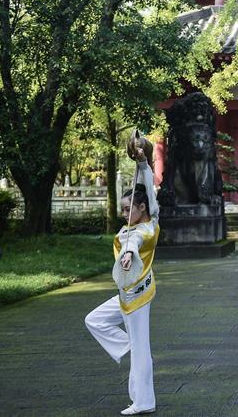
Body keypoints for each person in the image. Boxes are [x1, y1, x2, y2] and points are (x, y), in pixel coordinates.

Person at [85, 141, 159, 415]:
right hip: (125, 294)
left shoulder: (147, 228)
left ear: (142, 208)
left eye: (129, 208)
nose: (124, 213)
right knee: (94, 320)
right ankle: (128, 346)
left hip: (139, 295)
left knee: (142, 351)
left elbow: (136, 240)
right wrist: (139, 161)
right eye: (123, 208)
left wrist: (128, 254)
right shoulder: (131, 226)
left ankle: (143, 402)